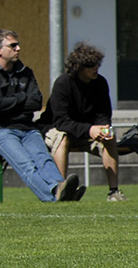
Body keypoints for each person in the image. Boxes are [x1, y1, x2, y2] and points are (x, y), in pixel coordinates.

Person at [0, 29, 80, 202]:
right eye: (13, 45)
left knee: (44, 160)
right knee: (27, 165)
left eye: (18, 45)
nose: (18, 48)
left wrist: (6, 104)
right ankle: (56, 195)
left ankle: (62, 190)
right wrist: (21, 98)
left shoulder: (26, 72)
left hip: (27, 128)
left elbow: (36, 103)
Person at [38, 42, 123, 201]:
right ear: (79, 67)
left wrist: (104, 128)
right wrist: (90, 130)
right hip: (56, 128)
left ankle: (114, 192)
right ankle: (60, 189)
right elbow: (61, 121)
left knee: (110, 137)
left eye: (97, 64)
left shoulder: (100, 83)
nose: (96, 68)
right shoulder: (63, 83)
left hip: (85, 132)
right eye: (90, 65)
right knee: (62, 137)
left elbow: (103, 113)